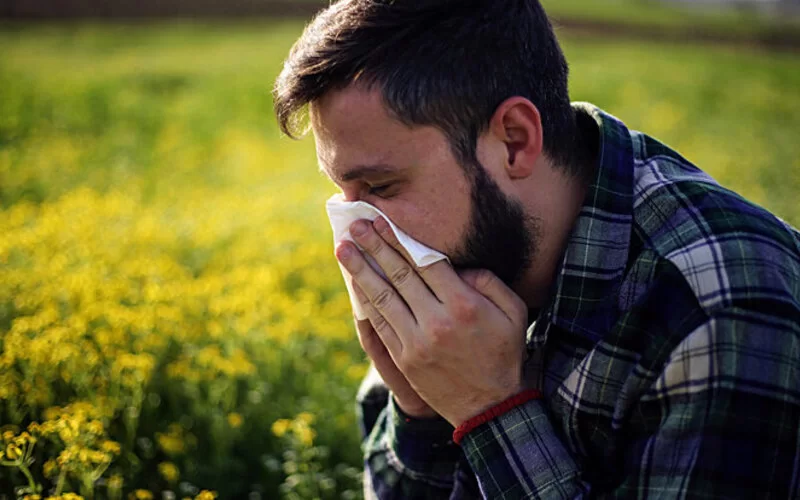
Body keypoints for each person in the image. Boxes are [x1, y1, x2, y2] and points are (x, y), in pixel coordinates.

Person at [273, 1, 800, 498]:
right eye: (341, 191)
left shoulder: (720, 307)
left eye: (382, 188)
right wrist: (422, 411)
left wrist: (491, 410)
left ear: (516, 141)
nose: (355, 233)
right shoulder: (454, 272)